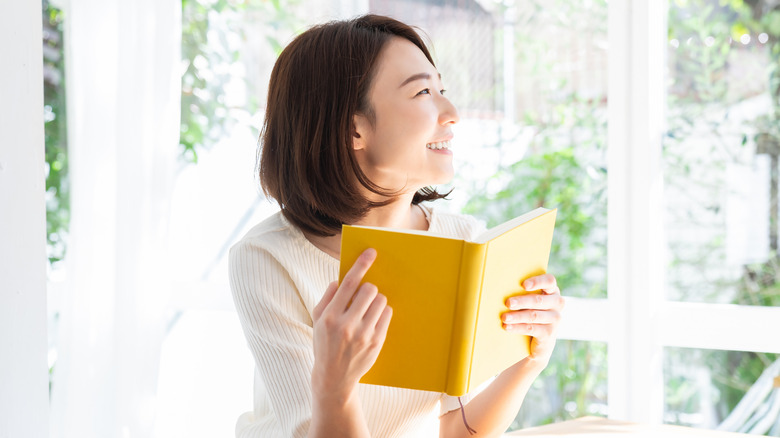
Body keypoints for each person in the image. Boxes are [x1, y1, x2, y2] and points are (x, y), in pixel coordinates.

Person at [229, 14, 565, 438]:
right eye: (424, 92)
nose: (452, 113)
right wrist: (335, 386)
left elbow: (456, 430)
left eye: (443, 90)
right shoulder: (266, 258)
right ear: (354, 127)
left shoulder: (461, 240)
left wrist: (527, 360)